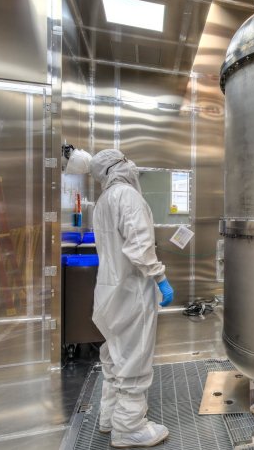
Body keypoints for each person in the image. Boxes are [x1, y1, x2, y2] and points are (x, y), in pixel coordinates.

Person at [88, 149, 174, 448]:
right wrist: (160, 278)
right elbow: (138, 246)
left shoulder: (103, 201)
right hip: (130, 291)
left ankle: (109, 416)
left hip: (107, 291)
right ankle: (129, 428)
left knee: (114, 355)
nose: (132, 166)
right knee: (134, 359)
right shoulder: (127, 196)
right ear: (118, 167)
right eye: (126, 161)